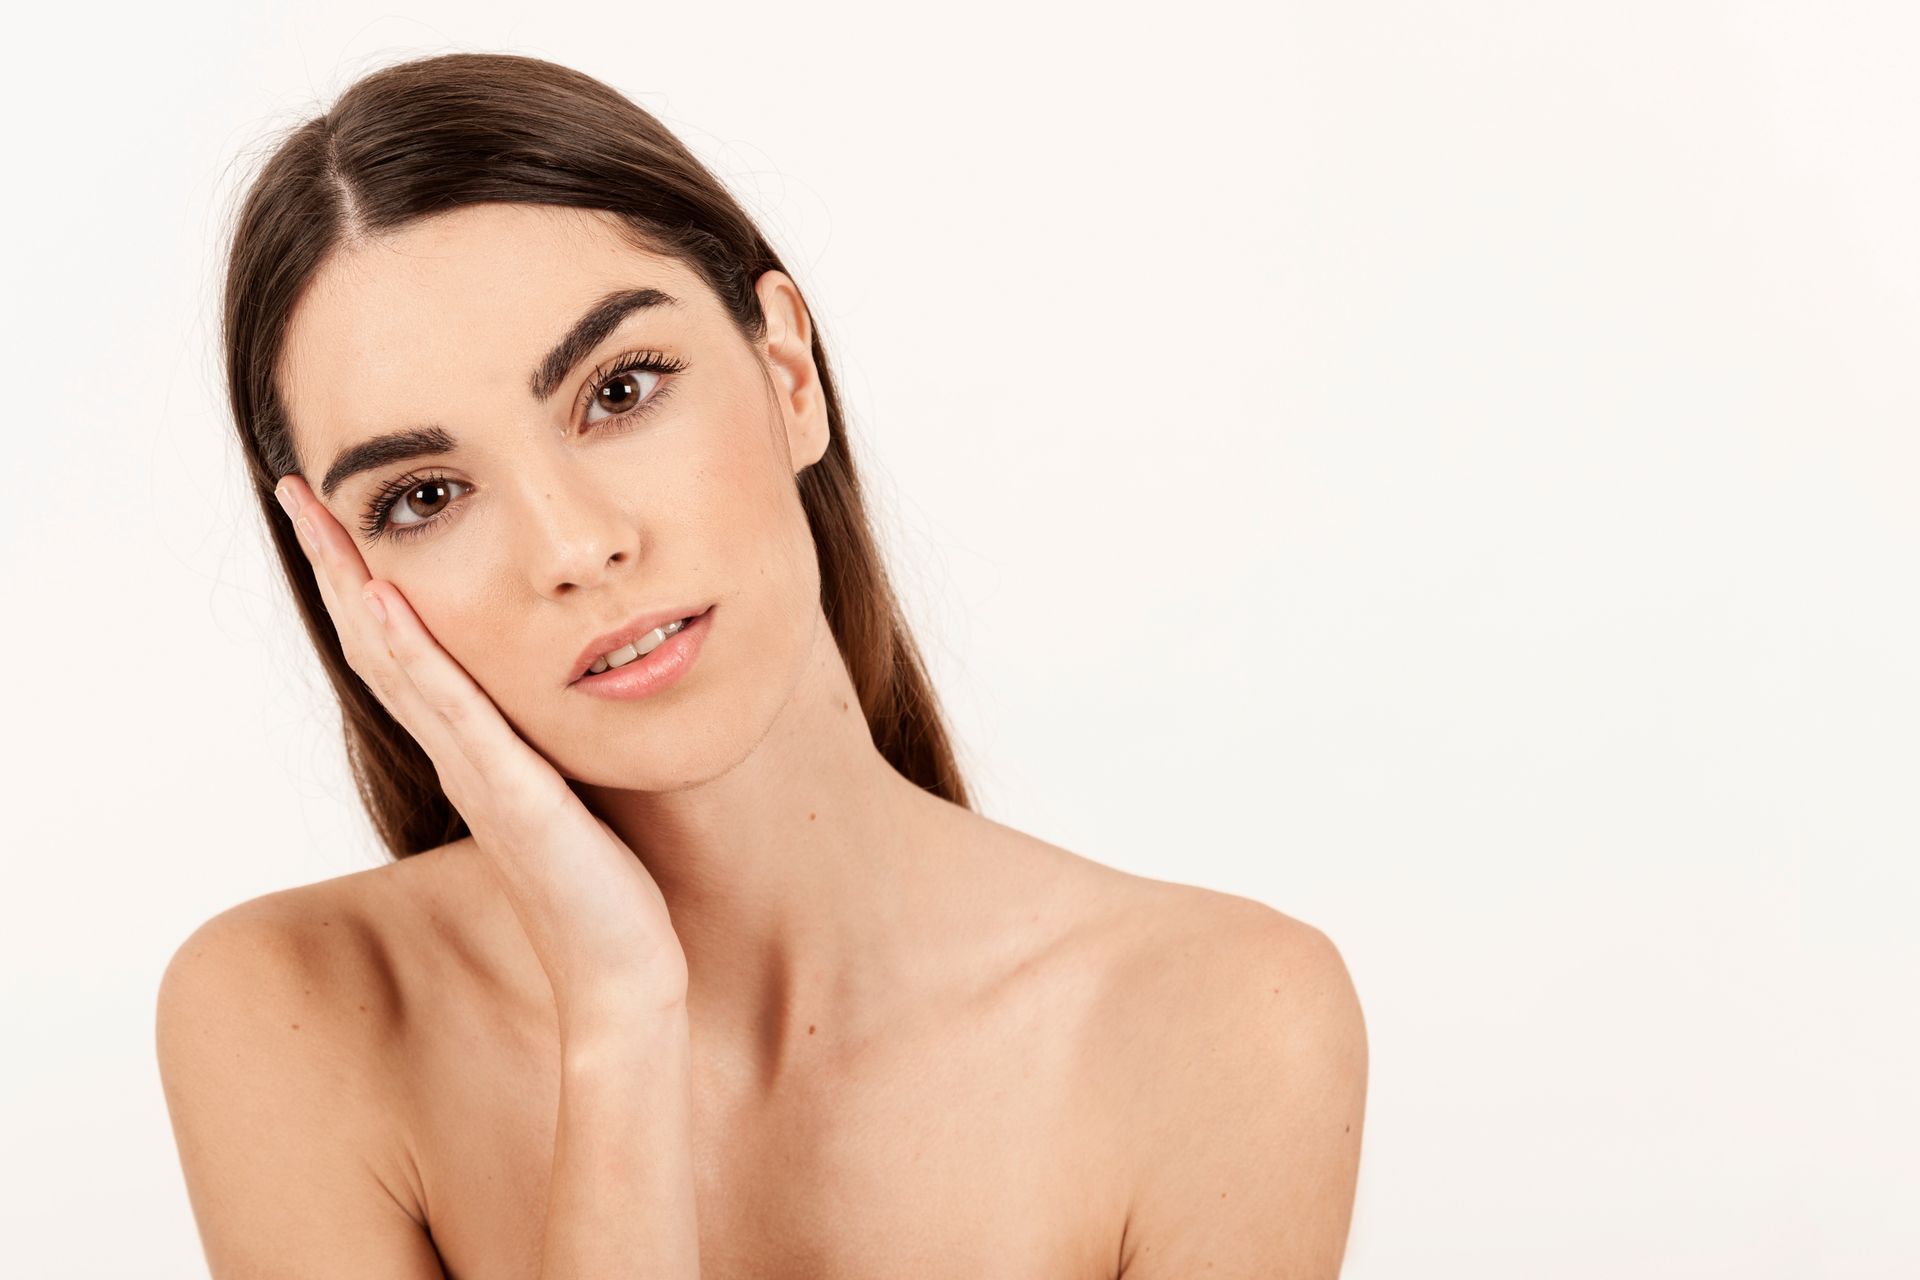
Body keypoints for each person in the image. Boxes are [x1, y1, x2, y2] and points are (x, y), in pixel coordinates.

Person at [154, 51, 1368, 1279]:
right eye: (427, 495)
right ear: (350, 575)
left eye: (618, 389)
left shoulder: (1223, 1024)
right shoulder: (295, 1013)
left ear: (788, 371)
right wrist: (620, 1010)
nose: (577, 546)